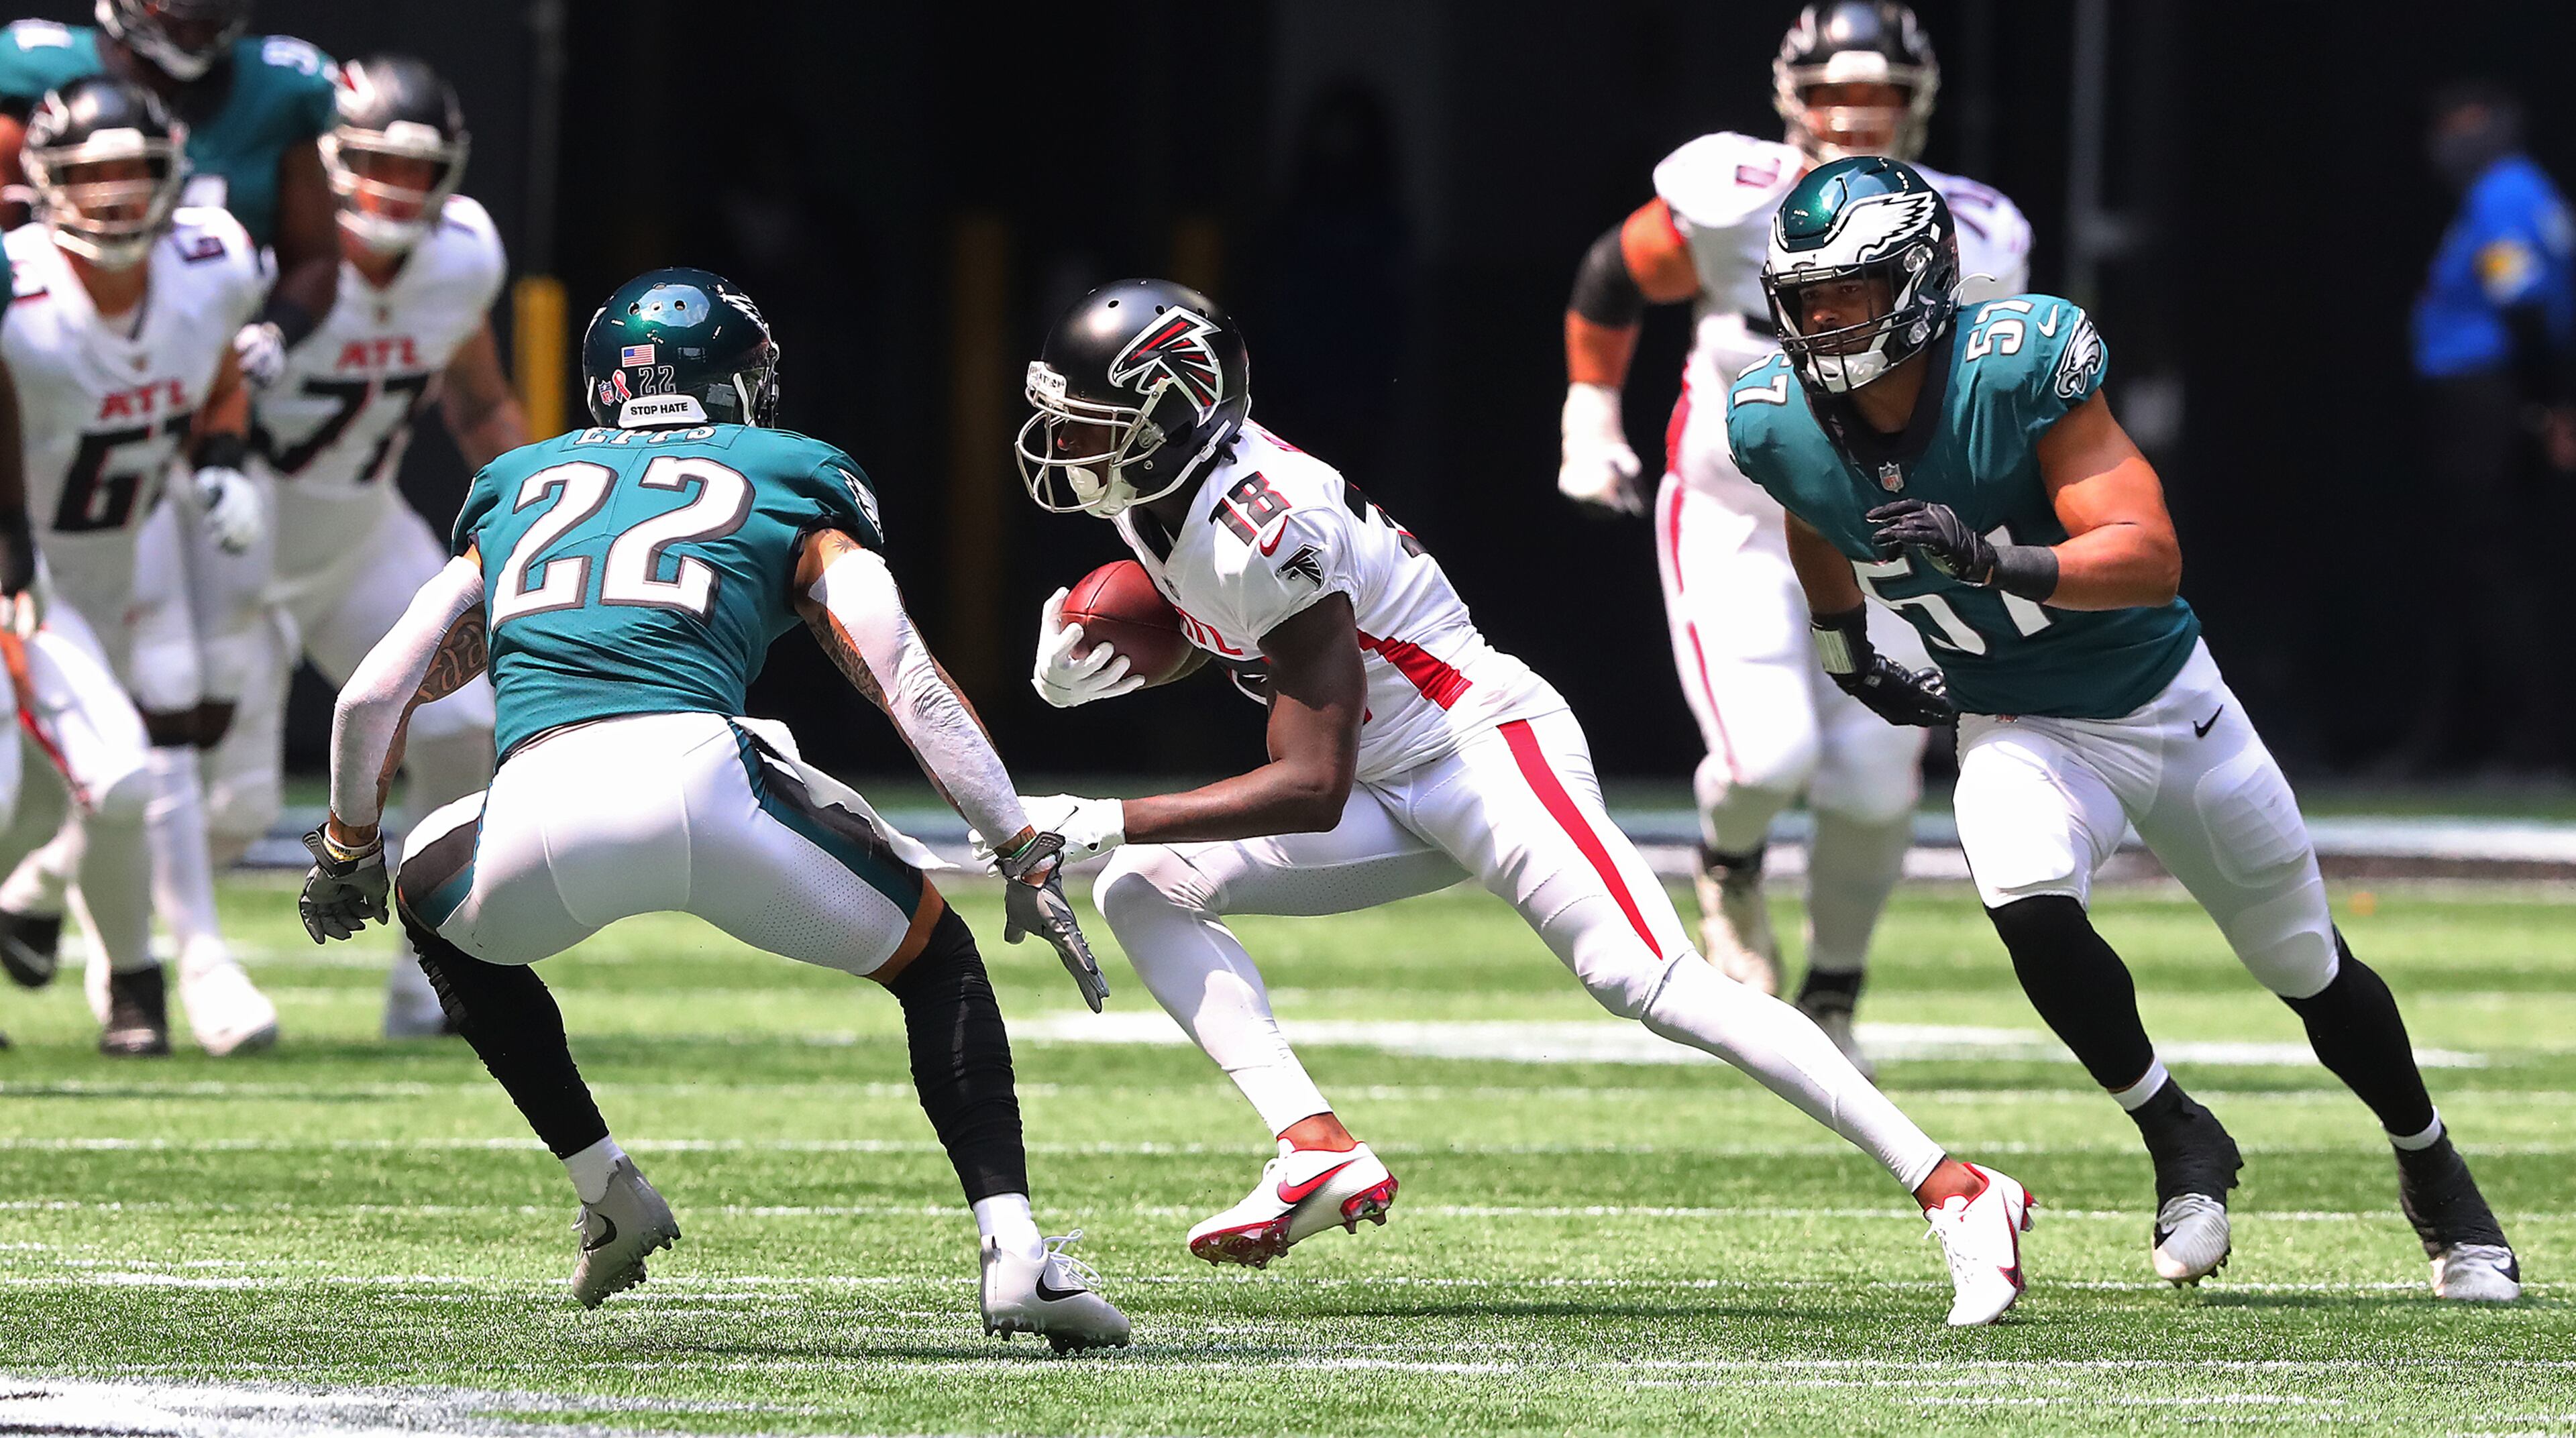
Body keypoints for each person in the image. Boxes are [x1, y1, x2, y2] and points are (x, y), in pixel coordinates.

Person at [1011, 277, 2034, 1328]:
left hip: (1476, 749)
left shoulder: (1260, 522)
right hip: (1384, 768)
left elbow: (1310, 785)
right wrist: (1120, 668)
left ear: (1175, 411)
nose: (1067, 445)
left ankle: (1958, 1189)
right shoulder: (1163, 494)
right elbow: (1240, 634)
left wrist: (1106, 814)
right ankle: (1314, 1147)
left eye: (1096, 425)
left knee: (1649, 979)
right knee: (1145, 890)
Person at [1726, 155, 2521, 1302]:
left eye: (1848, 292)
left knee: (2304, 962)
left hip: (2161, 703)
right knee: (2026, 902)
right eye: (1807, 298)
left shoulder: (2018, 364)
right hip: (2015, 717)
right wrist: (1845, 643)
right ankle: (2175, 1128)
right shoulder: (1774, 418)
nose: (1824, 320)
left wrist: (2001, 558)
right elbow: (1814, 506)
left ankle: (2434, 1169)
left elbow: (2150, 558)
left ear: (1919, 278)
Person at [296, 267, 1128, 1347]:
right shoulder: (792, 470)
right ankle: (1015, 1255)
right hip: (706, 780)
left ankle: (609, 1191)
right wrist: (1018, 845)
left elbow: (372, 695)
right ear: (737, 383)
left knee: (427, 892)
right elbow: (905, 677)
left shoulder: (519, 483)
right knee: (936, 963)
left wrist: (344, 849)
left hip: (538, 807)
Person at [1556, 1, 2031, 1068]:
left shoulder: (1980, 227)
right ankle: (1726, 865)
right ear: (1791, 100)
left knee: (1873, 785)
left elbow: (2003, 380)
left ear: (1919, 106)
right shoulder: (1733, 195)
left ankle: (1834, 997)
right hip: (1742, 510)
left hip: (1888, 524)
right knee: (1766, 758)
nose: (1855, 116)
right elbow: (1615, 274)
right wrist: (1589, 414)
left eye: (1880, 96)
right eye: (1833, 94)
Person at [0, 0, 339, 1009]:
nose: (113, 201)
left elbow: (213, 359)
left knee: (111, 780)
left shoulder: (212, 260)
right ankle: (154, 970)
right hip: (27, 560)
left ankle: (127, 970)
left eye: (135, 175)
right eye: (90, 175)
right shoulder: (17, 286)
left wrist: (224, 455)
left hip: (106, 546)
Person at [205, 54, 523, 1038]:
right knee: (224, 803)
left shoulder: (461, 257)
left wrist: (546, 520)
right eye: (376, 163)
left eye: (418, 170)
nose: (396, 190)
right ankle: (99, 929)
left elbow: (479, 402)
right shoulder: (264, 258)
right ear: (331, 162)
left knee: (464, 724)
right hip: (232, 537)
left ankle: (435, 970)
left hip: (357, 525)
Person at [2392, 79, 2576, 776]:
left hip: (2489, 400)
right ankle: (2470, 734)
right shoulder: (2522, 193)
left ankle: (2529, 740)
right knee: (2481, 566)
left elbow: (2526, 303)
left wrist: (2552, 405)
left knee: (2495, 567)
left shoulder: (2505, 193)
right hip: (2493, 397)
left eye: (2468, 122)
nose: (2452, 139)